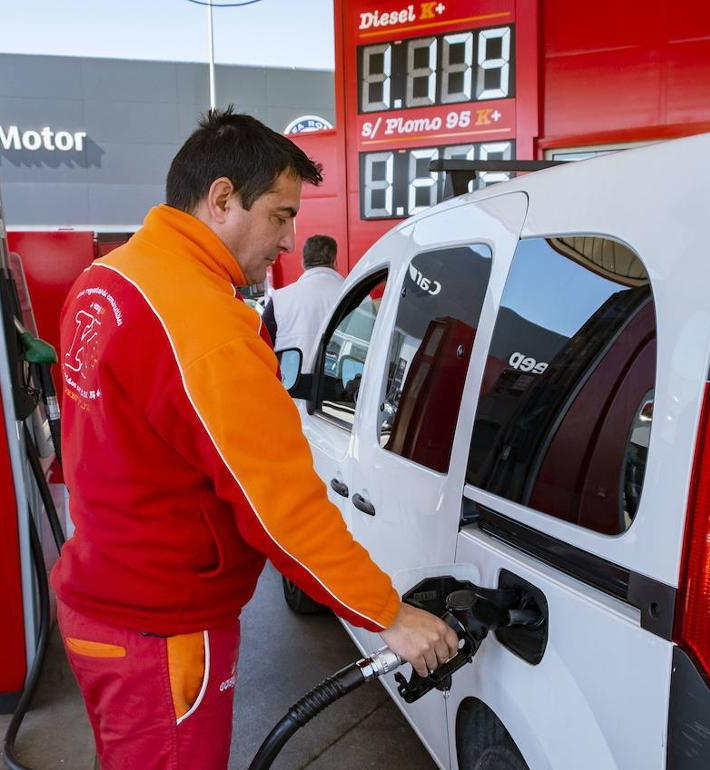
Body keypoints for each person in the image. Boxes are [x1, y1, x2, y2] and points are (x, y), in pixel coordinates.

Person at [51, 108, 457, 769]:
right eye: (280, 215)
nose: (290, 239)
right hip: (164, 629)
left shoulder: (107, 281)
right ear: (222, 199)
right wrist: (389, 614)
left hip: (99, 601)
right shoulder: (207, 326)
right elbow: (281, 507)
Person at [263, 234, 343, 370]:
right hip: (344, 380)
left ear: (303, 262)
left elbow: (263, 345)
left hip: (292, 381)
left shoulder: (279, 299)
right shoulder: (358, 295)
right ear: (334, 261)